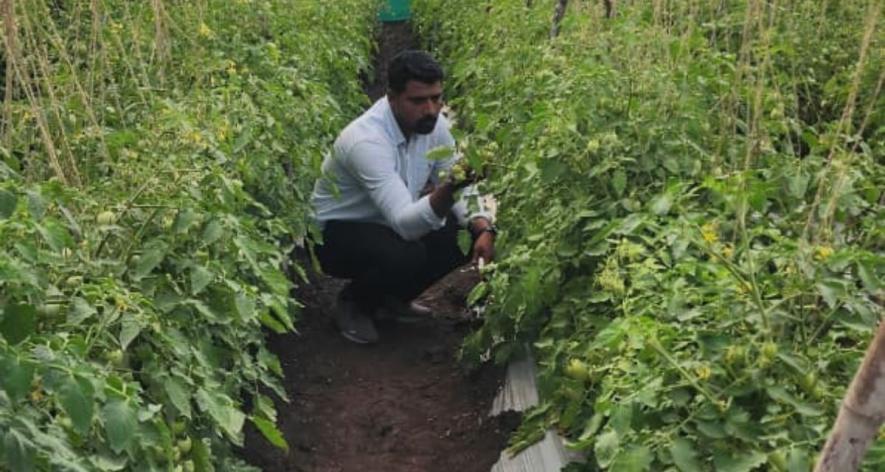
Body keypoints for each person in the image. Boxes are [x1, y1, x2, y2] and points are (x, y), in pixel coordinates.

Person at [310, 50, 496, 344]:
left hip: (386, 227)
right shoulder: (366, 141)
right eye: (418, 101)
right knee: (407, 252)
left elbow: (462, 184)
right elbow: (406, 224)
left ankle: (391, 299)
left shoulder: (436, 127)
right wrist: (449, 188)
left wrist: (483, 225)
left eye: (436, 98)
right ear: (392, 97)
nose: (431, 110)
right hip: (336, 235)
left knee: (463, 233)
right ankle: (354, 303)